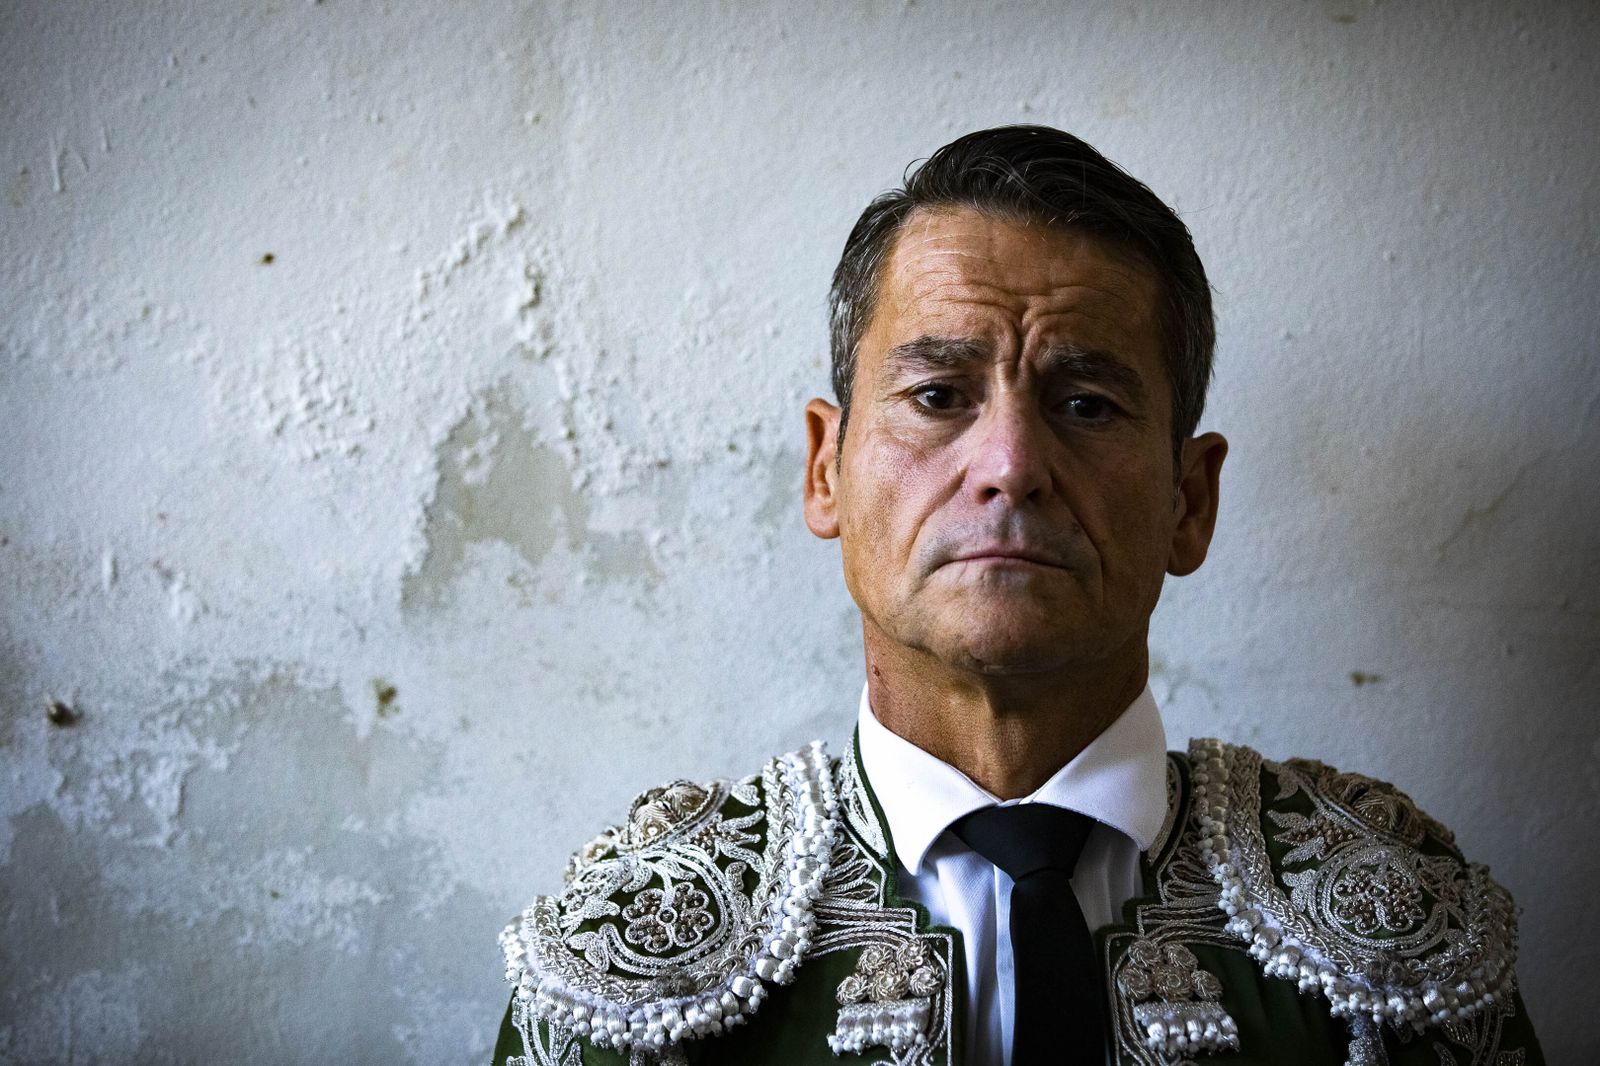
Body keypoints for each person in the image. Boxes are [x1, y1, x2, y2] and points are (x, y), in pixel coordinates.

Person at [491, 126, 1542, 1066]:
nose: (1010, 464)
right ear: (825, 469)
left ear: (1189, 500)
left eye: (1086, 404)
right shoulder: (633, 946)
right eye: (937, 395)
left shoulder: (1394, 930)